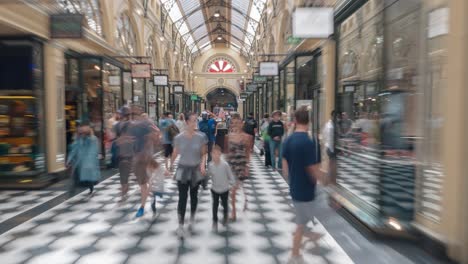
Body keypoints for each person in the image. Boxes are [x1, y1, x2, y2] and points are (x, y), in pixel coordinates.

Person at [282, 106, 324, 264]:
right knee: (301, 224)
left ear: (295, 120)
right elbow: (312, 168)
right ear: (309, 121)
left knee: (303, 221)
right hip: (306, 189)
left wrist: (290, 179)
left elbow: (284, 163)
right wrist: (319, 181)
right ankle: (294, 255)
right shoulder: (308, 142)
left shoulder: (289, 139)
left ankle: (305, 243)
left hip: (295, 186)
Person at [171, 113, 208, 238]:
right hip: (182, 169)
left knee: (194, 196)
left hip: (195, 170)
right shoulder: (179, 138)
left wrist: (203, 165)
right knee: (182, 198)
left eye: (196, 120)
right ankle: (180, 225)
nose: (195, 123)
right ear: (186, 122)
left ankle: (192, 218)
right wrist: (170, 166)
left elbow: (204, 154)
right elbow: (175, 153)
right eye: (193, 121)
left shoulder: (201, 137)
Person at [129, 106, 161, 218]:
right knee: (145, 184)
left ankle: (142, 207)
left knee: (145, 184)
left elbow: (157, 133)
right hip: (139, 158)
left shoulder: (146, 124)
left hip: (146, 158)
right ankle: (152, 194)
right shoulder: (133, 126)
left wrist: (151, 140)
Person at [224, 112, 252, 221]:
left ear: (241, 124)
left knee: (234, 189)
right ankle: (234, 211)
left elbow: (248, 153)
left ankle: (235, 210)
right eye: (233, 123)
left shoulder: (247, 137)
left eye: (237, 123)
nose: (235, 125)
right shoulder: (228, 137)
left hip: (241, 164)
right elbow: (226, 152)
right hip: (231, 165)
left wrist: (247, 167)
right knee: (233, 189)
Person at [67, 123, 101, 195]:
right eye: (81, 133)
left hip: (88, 162)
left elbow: (94, 150)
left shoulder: (92, 139)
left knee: (88, 177)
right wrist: (69, 160)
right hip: (79, 161)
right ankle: (73, 188)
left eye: (83, 133)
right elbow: (74, 150)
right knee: (75, 175)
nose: (82, 134)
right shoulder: (78, 140)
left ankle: (90, 186)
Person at [208, 145, 235, 232]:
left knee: (225, 204)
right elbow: (209, 175)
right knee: (215, 205)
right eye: (214, 154)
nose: (216, 156)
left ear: (220, 154)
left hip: (224, 189)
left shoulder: (225, 165)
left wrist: (233, 184)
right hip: (214, 189)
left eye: (217, 154)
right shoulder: (210, 165)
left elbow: (230, 175)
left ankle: (225, 216)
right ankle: (215, 220)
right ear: (211, 154)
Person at [113, 106, 133, 199]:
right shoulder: (131, 124)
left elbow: (115, 138)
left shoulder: (118, 125)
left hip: (123, 152)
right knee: (125, 172)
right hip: (127, 152)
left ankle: (124, 190)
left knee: (123, 172)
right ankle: (124, 189)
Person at [322, 110, 337, 185]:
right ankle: (327, 181)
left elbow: (324, 134)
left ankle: (329, 180)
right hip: (331, 148)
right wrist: (332, 150)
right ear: (333, 116)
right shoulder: (331, 126)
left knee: (331, 165)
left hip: (328, 146)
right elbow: (331, 139)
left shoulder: (328, 124)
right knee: (331, 165)